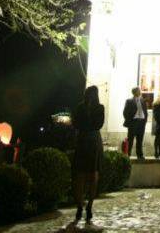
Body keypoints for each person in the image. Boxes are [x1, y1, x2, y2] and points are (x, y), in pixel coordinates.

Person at [72, 85, 104, 223]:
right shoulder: (80, 107)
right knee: (80, 176)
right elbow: (75, 123)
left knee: (93, 175)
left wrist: (87, 120)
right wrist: (87, 121)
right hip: (84, 141)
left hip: (93, 142)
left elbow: (99, 124)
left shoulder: (100, 108)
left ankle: (89, 206)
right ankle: (80, 206)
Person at [122, 87, 147, 160]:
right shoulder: (129, 101)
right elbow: (125, 113)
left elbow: (145, 112)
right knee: (130, 140)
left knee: (140, 140)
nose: (140, 91)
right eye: (139, 90)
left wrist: (144, 121)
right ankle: (128, 154)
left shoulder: (143, 101)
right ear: (135, 92)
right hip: (133, 123)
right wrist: (131, 119)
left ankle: (140, 155)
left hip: (141, 123)